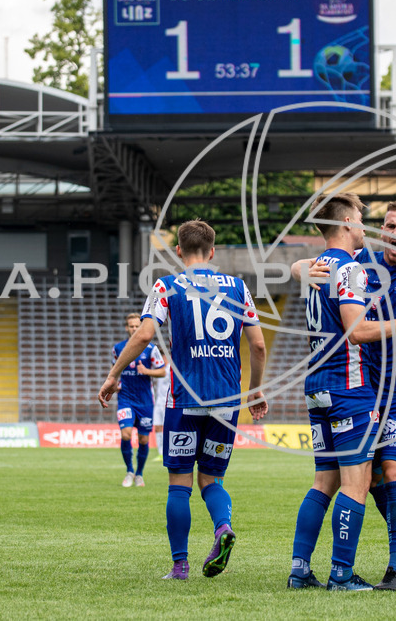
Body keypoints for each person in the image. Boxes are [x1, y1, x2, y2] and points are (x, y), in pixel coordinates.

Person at [292, 200, 396, 590]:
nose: (394, 233)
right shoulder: (360, 262)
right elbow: (320, 260)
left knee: (390, 473)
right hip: (358, 388)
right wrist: (299, 269)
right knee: (366, 480)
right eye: (388, 225)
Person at [100, 220, 267, 580]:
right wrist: (255, 390)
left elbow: (145, 334)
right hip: (226, 402)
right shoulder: (238, 287)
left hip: (184, 400)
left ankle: (180, 566)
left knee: (180, 483)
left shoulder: (167, 285)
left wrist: (114, 374)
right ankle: (223, 527)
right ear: (212, 251)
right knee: (212, 480)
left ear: (178, 251)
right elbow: (258, 344)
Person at [112, 313, 167, 488]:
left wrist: (147, 371)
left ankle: (139, 474)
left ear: (141, 327)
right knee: (126, 434)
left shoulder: (151, 349)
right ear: (126, 328)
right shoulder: (118, 349)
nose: (134, 329)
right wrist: (115, 383)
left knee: (143, 440)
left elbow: (162, 372)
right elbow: (115, 370)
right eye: (131, 326)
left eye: (137, 326)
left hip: (144, 401)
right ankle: (129, 471)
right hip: (125, 398)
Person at [151, 346, 170, 459]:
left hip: (167, 401)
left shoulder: (170, 369)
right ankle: (161, 452)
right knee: (157, 426)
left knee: (167, 427)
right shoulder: (158, 369)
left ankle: (168, 451)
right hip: (158, 400)